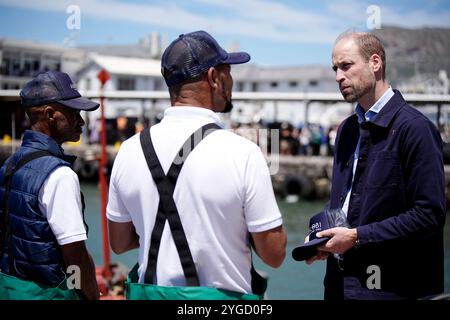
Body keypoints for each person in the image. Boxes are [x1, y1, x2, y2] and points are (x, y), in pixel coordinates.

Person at [107, 30, 286, 300]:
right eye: (228, 71)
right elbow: (274, 255)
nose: (231, 80)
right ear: (214, 77)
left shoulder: (129, 149)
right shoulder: (243, 153)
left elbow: (119, 243)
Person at [305, 31, 446, 299]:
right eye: (335, 68)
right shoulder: (347, 129)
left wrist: (357, 236)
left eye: (346, 66)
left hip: (390, 289)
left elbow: (430, 214)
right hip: (338, 285)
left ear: (375, 63)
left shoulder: (415, 129)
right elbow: (343, 202)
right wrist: (322, 238)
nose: (338, 77)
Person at [0, 71, 100, 300]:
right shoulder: (59, 175)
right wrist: (87, 294)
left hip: (10, 289)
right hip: (48, 294)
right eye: (74, 113)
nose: (82, 121)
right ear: (50, 114)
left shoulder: (9, 164)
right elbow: (74, 256)